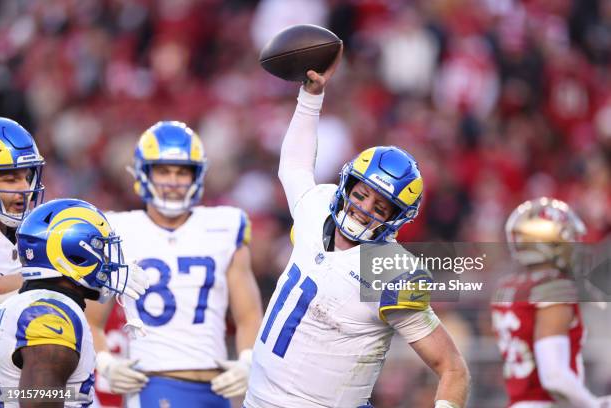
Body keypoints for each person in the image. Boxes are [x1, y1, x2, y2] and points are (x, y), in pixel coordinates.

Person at [244, 48, 470, 408]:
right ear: (347, 187)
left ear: (396, 218)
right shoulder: (317, 208)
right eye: (362, 195)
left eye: (380, 206)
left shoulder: (388, 271)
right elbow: (294, 166)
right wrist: (310, 96)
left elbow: (452, 368)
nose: (364, 209)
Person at [85, 121, 263, 407]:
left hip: (218, 387)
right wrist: (105, 362)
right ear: (144, 173)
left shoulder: (226, 225)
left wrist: (247, 361)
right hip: (153, 382)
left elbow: (249, 314)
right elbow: (91, 319)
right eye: (163, 171)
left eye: (182, 172)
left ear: (198, 175)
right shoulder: (116, 229)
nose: (172, 181)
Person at [0, 198, 148, 408]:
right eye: (100, 248)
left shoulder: (31, 303)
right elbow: (39, 401)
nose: (107, 262)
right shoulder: (51, 315)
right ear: (75, 255)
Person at [491, 197, 611, 408]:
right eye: (567, 239)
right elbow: (554, 377)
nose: (574, 247)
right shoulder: (553, 290)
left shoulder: (509, 289)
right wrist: (594, 404)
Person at [0, 118, 44, 302]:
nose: (25, 188)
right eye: (11, 179)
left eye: (27, 177)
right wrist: (49, 275)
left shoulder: (34, 232)